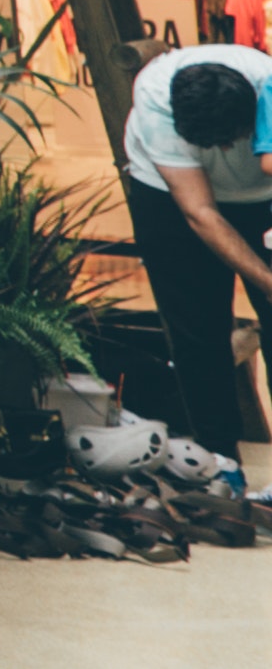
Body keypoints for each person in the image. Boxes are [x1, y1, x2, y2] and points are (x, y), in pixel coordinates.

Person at [124, 41, 270, 492]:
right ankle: (220, 459)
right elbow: (200, 212)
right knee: (197, 327)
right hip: (171, 198)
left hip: (263, 196)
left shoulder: (267, 86)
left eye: (233, 138)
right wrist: (267, 280)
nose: (225, 148)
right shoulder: (155, 99)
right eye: (212, 143)